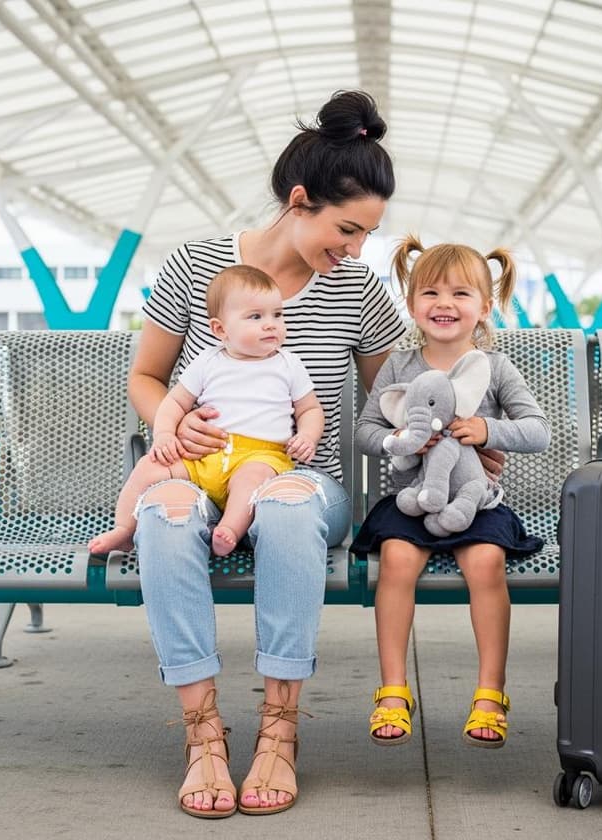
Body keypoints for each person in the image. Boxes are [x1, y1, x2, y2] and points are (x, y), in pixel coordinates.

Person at [130, 90, 406, 818]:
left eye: (365, 237)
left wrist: (454, 433)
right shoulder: (197, 265)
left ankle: (279, 732)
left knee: (285, 511)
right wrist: (172, 426)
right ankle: (203, 737)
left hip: (306, 482)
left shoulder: (360, 290)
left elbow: (394, 399)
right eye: (346, 229)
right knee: (164, 516)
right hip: (200, 471)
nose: (352, 250)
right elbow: (147, 375)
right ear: (298, 199)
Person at [352, 235, 551, 750]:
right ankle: (393, 688)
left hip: (475, 500)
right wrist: (402, 439)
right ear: (412, 303)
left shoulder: (497, 368)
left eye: (461, 294)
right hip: (411, 500)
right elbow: (366, 431)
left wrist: (486, 432)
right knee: (396, 561)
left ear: (485, 306)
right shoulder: (400, 366)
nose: (445, 304)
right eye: (431, 293)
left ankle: (490, 691)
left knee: (485, 563)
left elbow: (537, 430)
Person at [89, 264, 322, 558]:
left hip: (261, 454)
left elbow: (309, 408)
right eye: (255, 316)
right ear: (220, 329)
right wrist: (164, 435)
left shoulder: (288, 364)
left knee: (251, 480)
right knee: (150, 467)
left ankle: (230, 530)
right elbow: (175, 402)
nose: (271, 324)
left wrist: (308, 437)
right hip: (202, 457)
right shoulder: (208, 361)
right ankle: (124, 529)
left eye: (277, 314)